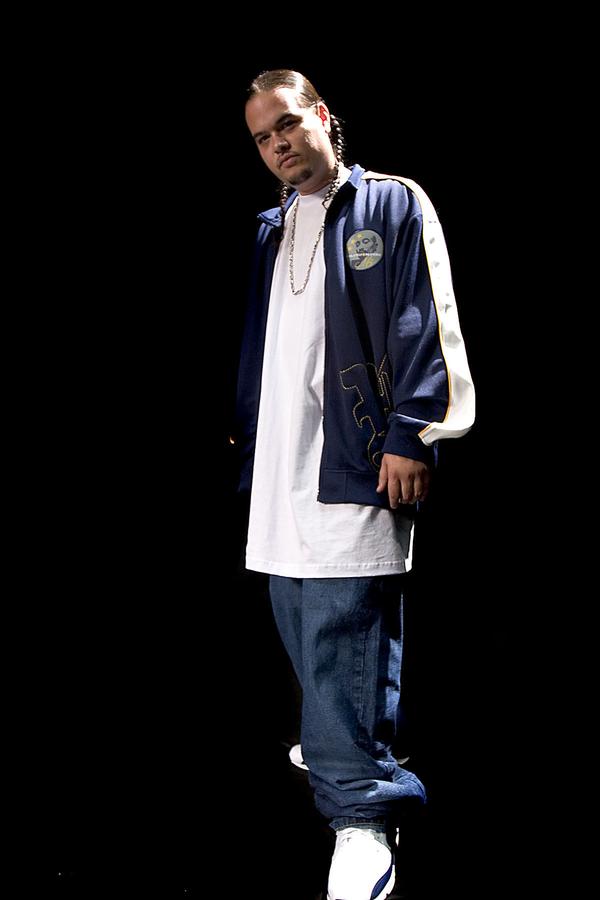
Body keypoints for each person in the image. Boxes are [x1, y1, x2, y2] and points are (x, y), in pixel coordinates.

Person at [235, 69, 475, 900]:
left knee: (345, 632)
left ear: (322, 116)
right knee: (302, 624)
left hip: (357, 454)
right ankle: (338, 742)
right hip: (282, 465)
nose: (278, 145)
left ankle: (365, 813)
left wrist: (414, 431)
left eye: (287, 124)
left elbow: (422, 317)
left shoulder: (390, 204)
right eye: (263, 138)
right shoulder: (271, 228)